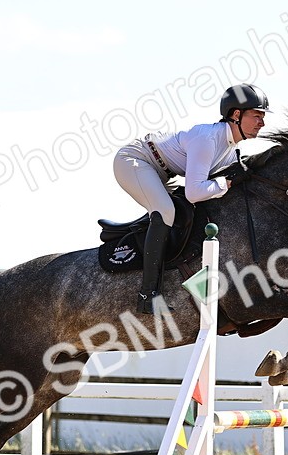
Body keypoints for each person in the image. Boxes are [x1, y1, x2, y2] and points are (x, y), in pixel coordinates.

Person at [113, 83, 269, 313]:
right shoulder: (208, 139)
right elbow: (194, 192)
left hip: (159, 170)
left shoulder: (230, 147)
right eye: (256, 115)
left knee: (187, 213)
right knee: (166, 211)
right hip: (135, 160)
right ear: (236, 115)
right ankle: (148, 294)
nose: (262, 123)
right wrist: (225, 183)